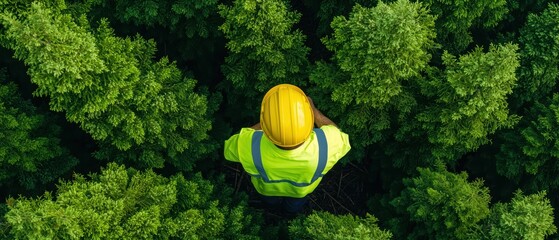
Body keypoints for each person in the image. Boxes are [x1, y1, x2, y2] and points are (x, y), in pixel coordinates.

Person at [224, 84, 351, 214]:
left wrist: (265, 124)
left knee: (270, 204)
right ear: (309, 121)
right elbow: (339, 135)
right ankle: (290, 215)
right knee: (293, 207)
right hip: (300, 193)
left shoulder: (249, 145)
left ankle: (272, 211)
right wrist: (315, 113)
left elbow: (228, 149)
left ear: (264, 124)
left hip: (267, 191)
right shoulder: (326, 145)